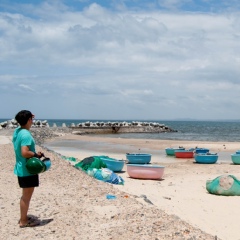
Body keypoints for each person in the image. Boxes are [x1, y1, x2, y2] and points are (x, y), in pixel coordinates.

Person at [12, 110, 44, 228]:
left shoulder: (18, 131)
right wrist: (36, 155)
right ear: (29, 120)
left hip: (21, 168)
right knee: (26, 197)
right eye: (31, 119)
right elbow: (25, 152)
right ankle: (24, 221)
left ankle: (23, 217)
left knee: (25, 196)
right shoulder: (25, 134)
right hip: (27, 170)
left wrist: (28, 117)